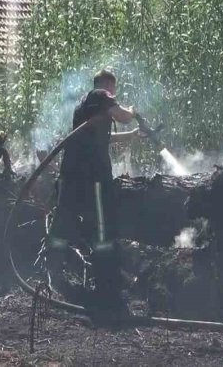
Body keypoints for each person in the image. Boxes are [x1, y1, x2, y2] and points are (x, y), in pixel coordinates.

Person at [45, 69, 142, 318]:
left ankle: (52, 269)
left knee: (64, 220)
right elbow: (122, 116)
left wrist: (128, 136)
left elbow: (97, 136)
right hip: (93, 177)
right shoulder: (101, 95)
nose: (114, 93)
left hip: (72, 174)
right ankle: (104, 279)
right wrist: (132, 112)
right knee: (101, 225)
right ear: (107, 85)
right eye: (114, 88)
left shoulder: (86, 104)